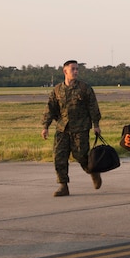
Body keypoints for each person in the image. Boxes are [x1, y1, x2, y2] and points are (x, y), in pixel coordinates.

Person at [42, 60, 103, 196]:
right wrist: (45, 126)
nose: (76, 72)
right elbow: (50, 108)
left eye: (77, 69)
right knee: (59, 157)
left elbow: (93, 107)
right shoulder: (57, 90)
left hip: (80, 129)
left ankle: (92, 171)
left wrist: (96, 125)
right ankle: (63, 185)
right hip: (62, 129)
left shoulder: (84, 88)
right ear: (65, 71)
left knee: (81, 155)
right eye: (73, 69)